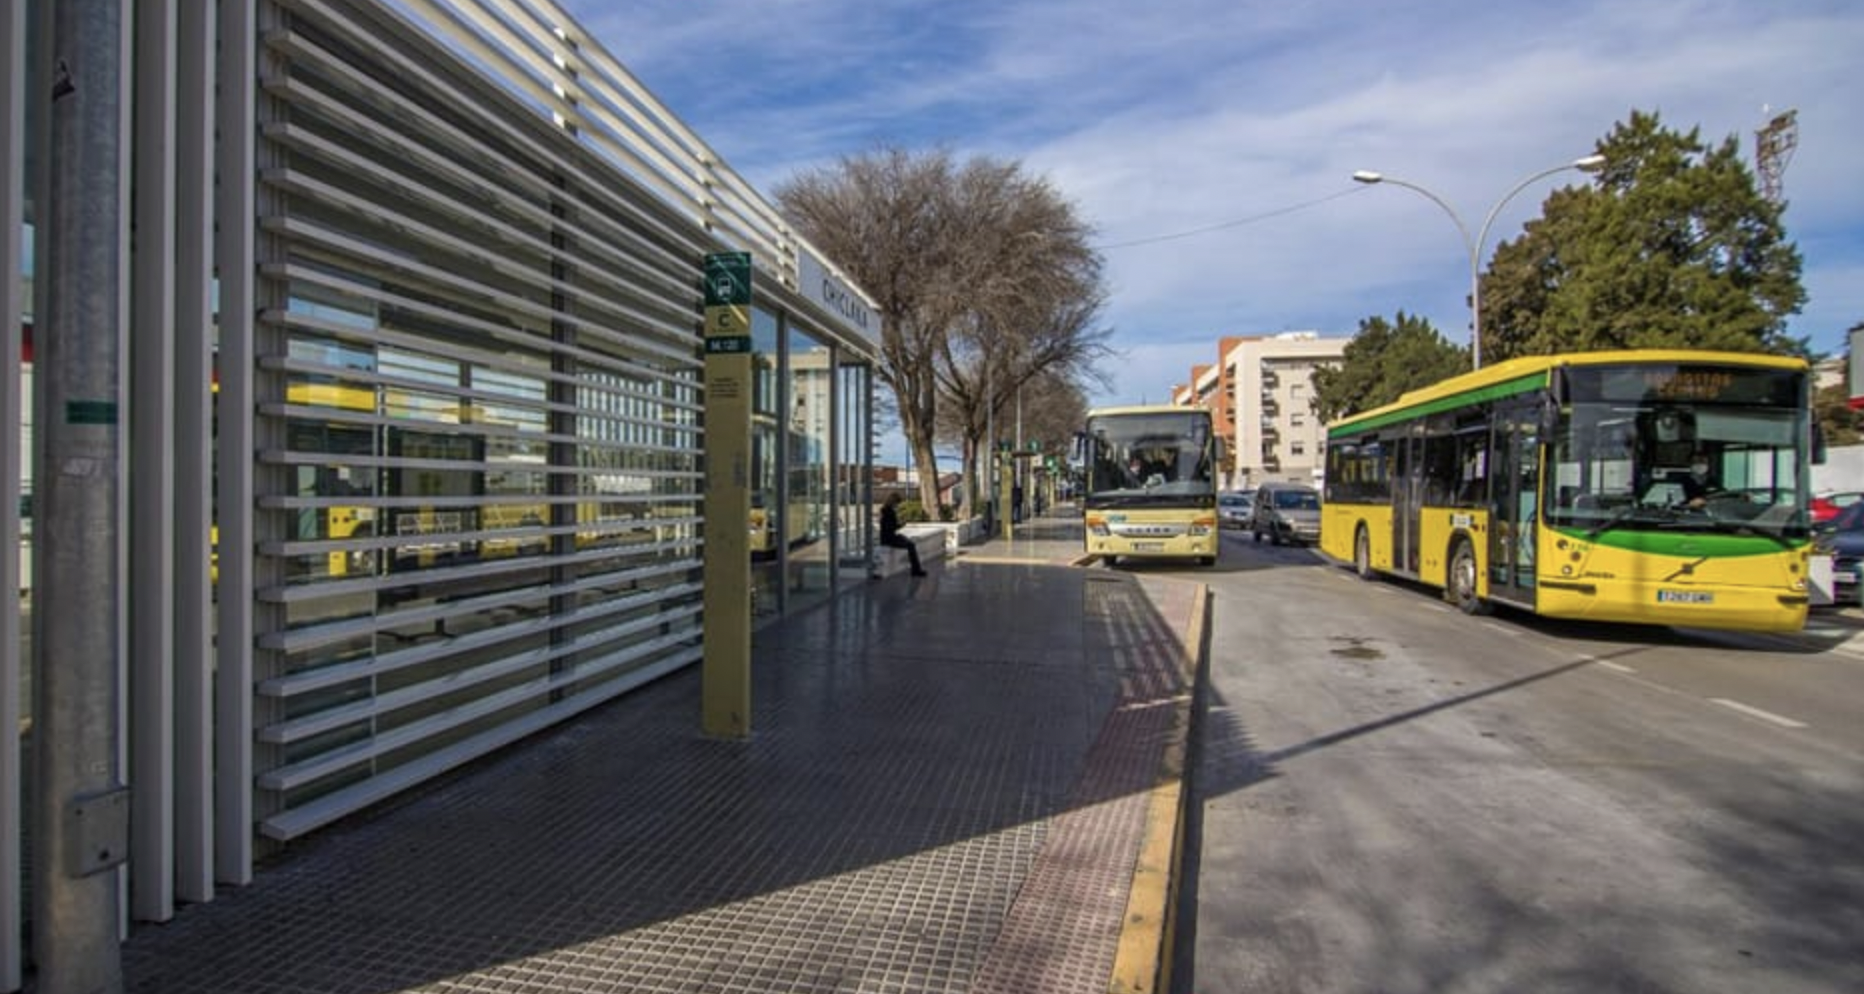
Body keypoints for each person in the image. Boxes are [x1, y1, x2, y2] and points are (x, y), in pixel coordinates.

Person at [879, 491, 928, 577]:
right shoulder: (889, 512)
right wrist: (901, 525)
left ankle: (916, 569)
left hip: (887, 537)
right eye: (897, 503)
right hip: (889, 538)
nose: (897, 506)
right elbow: (891, 527)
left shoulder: (885, 511)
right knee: (911, 545)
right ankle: (916, 570)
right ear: (894, 502)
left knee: (909, 543)